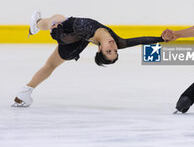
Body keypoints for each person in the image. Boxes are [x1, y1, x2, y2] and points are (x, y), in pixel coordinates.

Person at [13, 11, 165, 107]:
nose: (112, 46)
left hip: (69, 42)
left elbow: (63, 39)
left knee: (56, 25)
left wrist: (57, 29)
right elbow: (140, 41)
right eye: (114, 51)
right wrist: (162, 39)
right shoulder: (117, 41)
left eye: (108, 51)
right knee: (50, 62)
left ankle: (37, 24)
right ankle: (24, 94)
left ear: (100, 49)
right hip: (75, 37)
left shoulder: (84, 29)